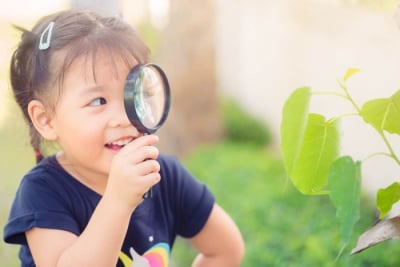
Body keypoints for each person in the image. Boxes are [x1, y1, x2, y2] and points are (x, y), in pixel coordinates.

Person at [3, 9, 244, 267]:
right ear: (46, 120)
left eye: (134, 93)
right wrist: (118, 202)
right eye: (98, 101)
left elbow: (227, 250)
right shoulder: (43, 192)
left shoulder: (165, 175)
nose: (125, 117)